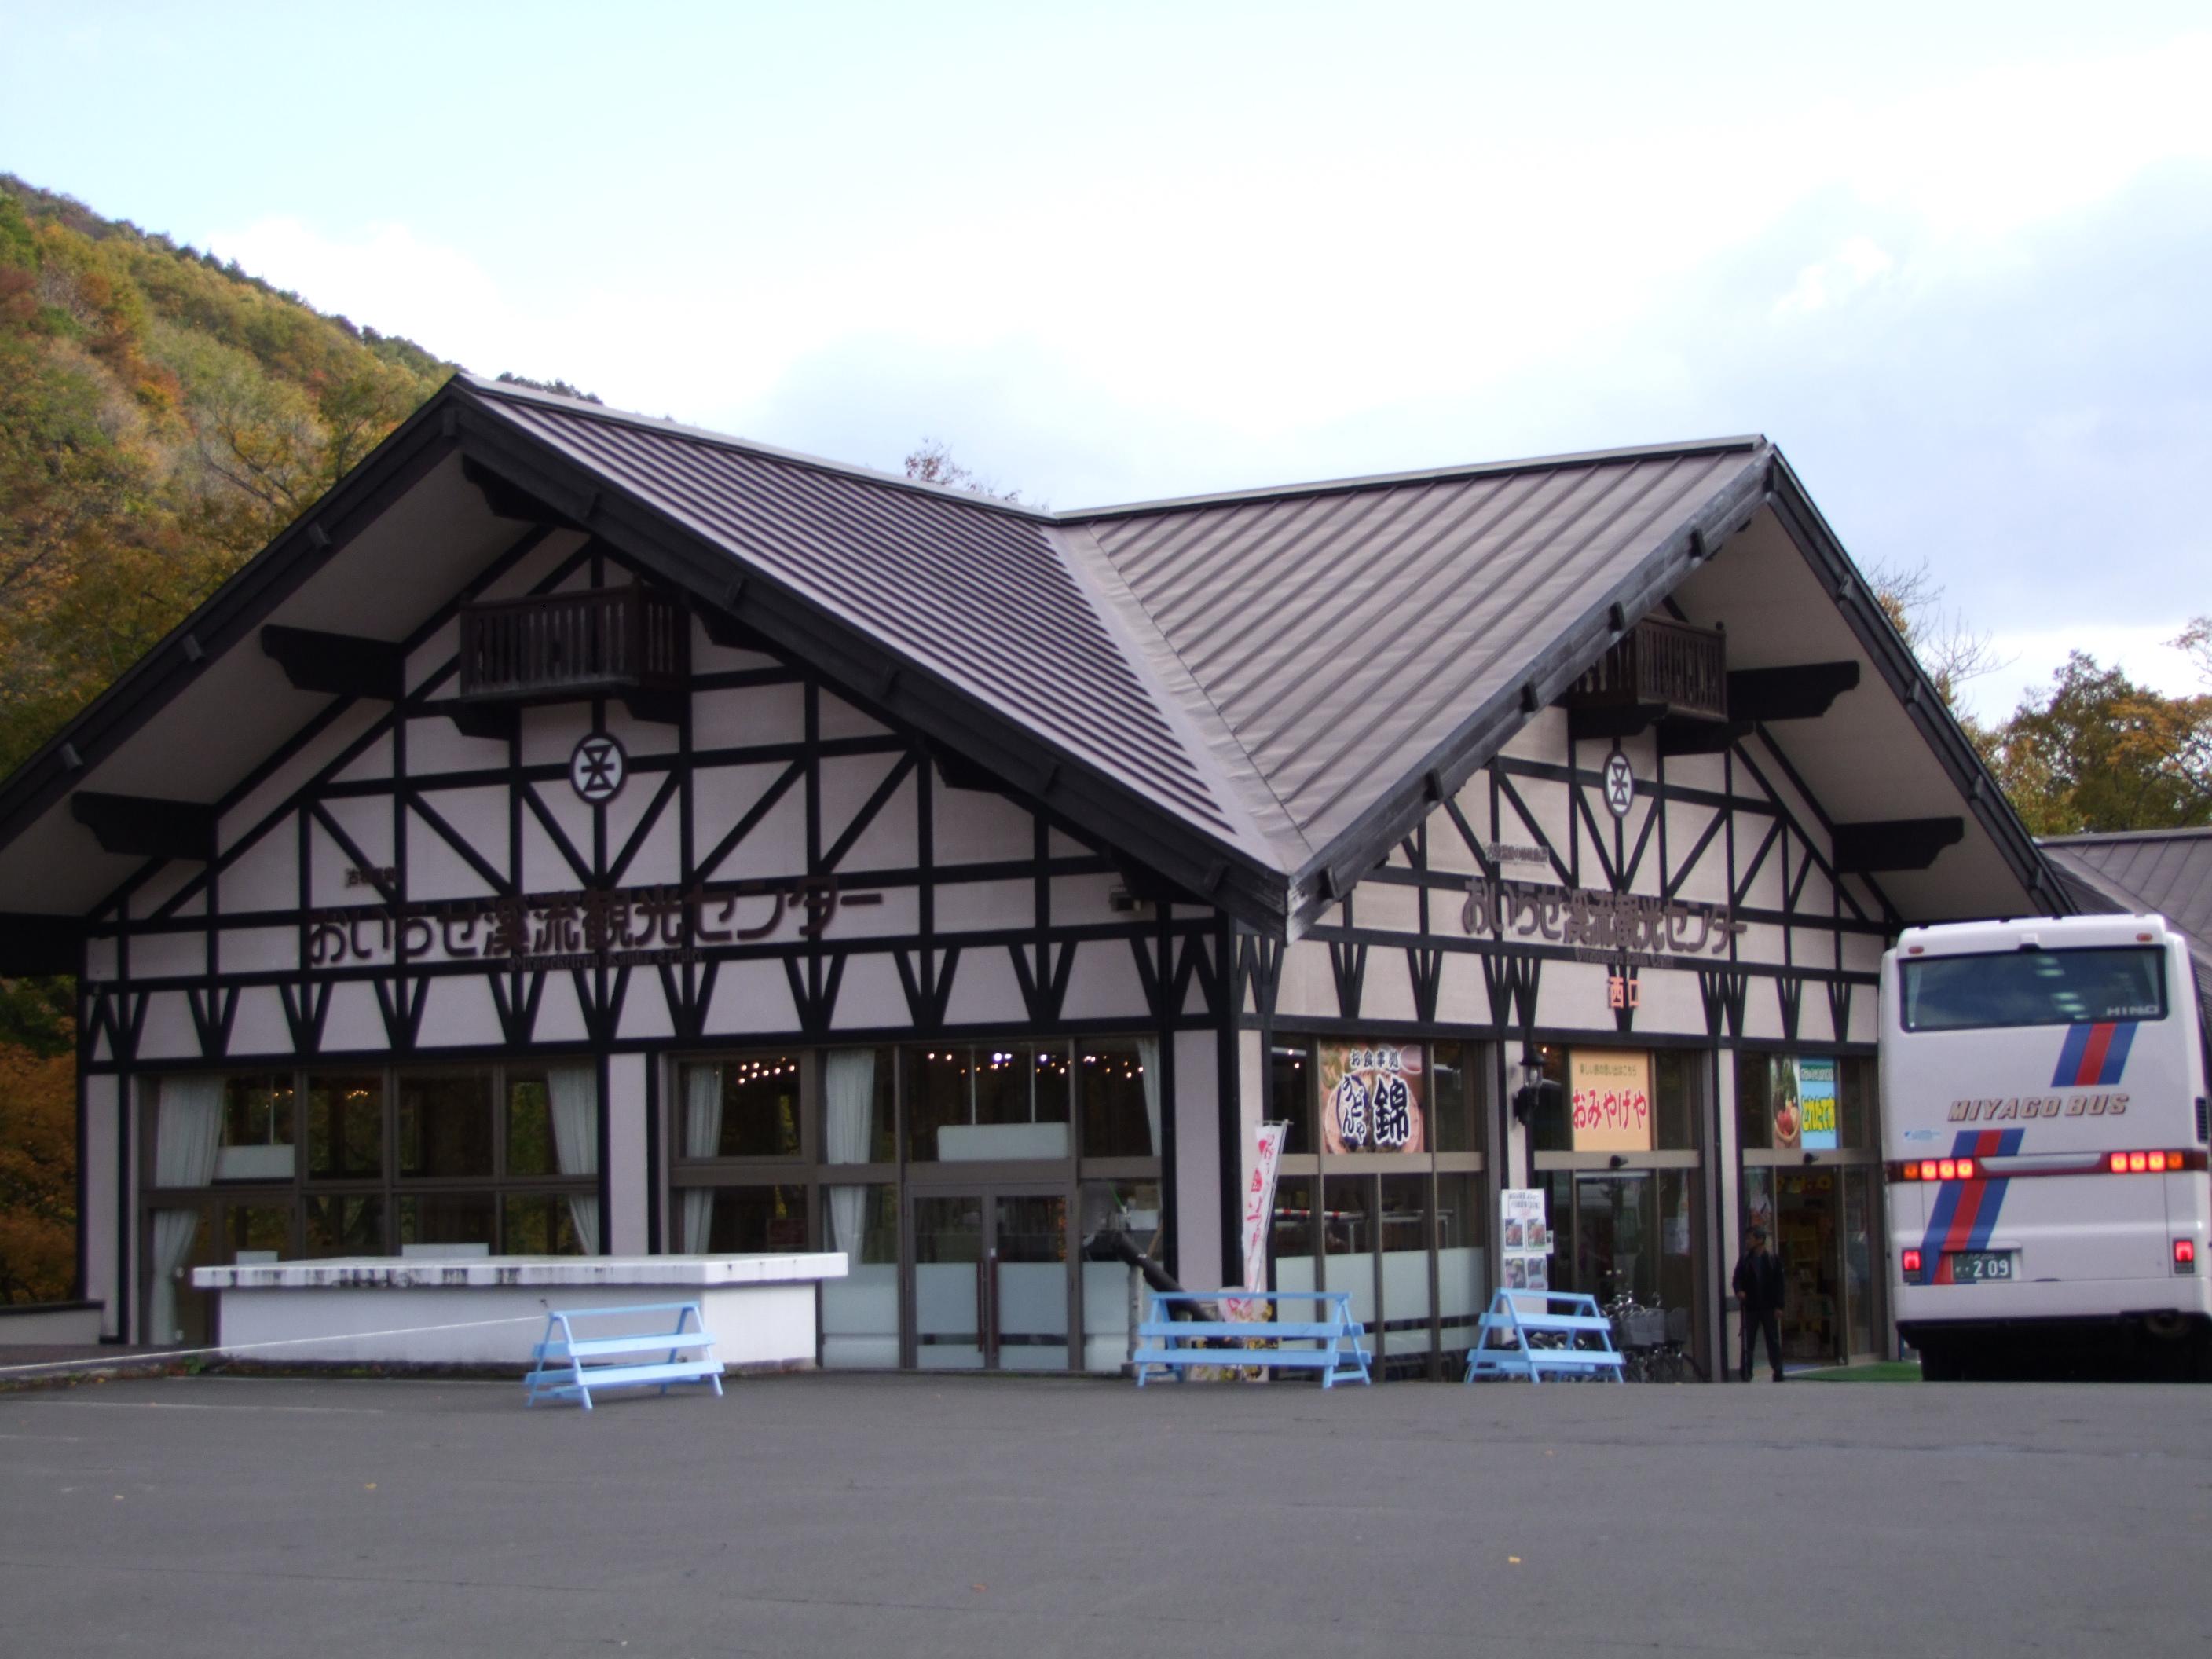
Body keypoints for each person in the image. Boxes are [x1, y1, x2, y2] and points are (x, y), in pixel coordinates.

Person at [1732, 1225, 1786, 1382]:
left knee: (1772, 1340)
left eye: (1750, 1238)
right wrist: (1739, 1291)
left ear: (1760, 1240)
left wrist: (1779, 1306)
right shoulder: (1745, 1259)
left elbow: (1780, 1284)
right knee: (1748, 1341)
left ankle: (1778, 1371)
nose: (1747, 1241)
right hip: (1751, 1306)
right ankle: (1747, 1372)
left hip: (1769, 1307)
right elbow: (1737, 1279)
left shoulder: (1772, 1259)